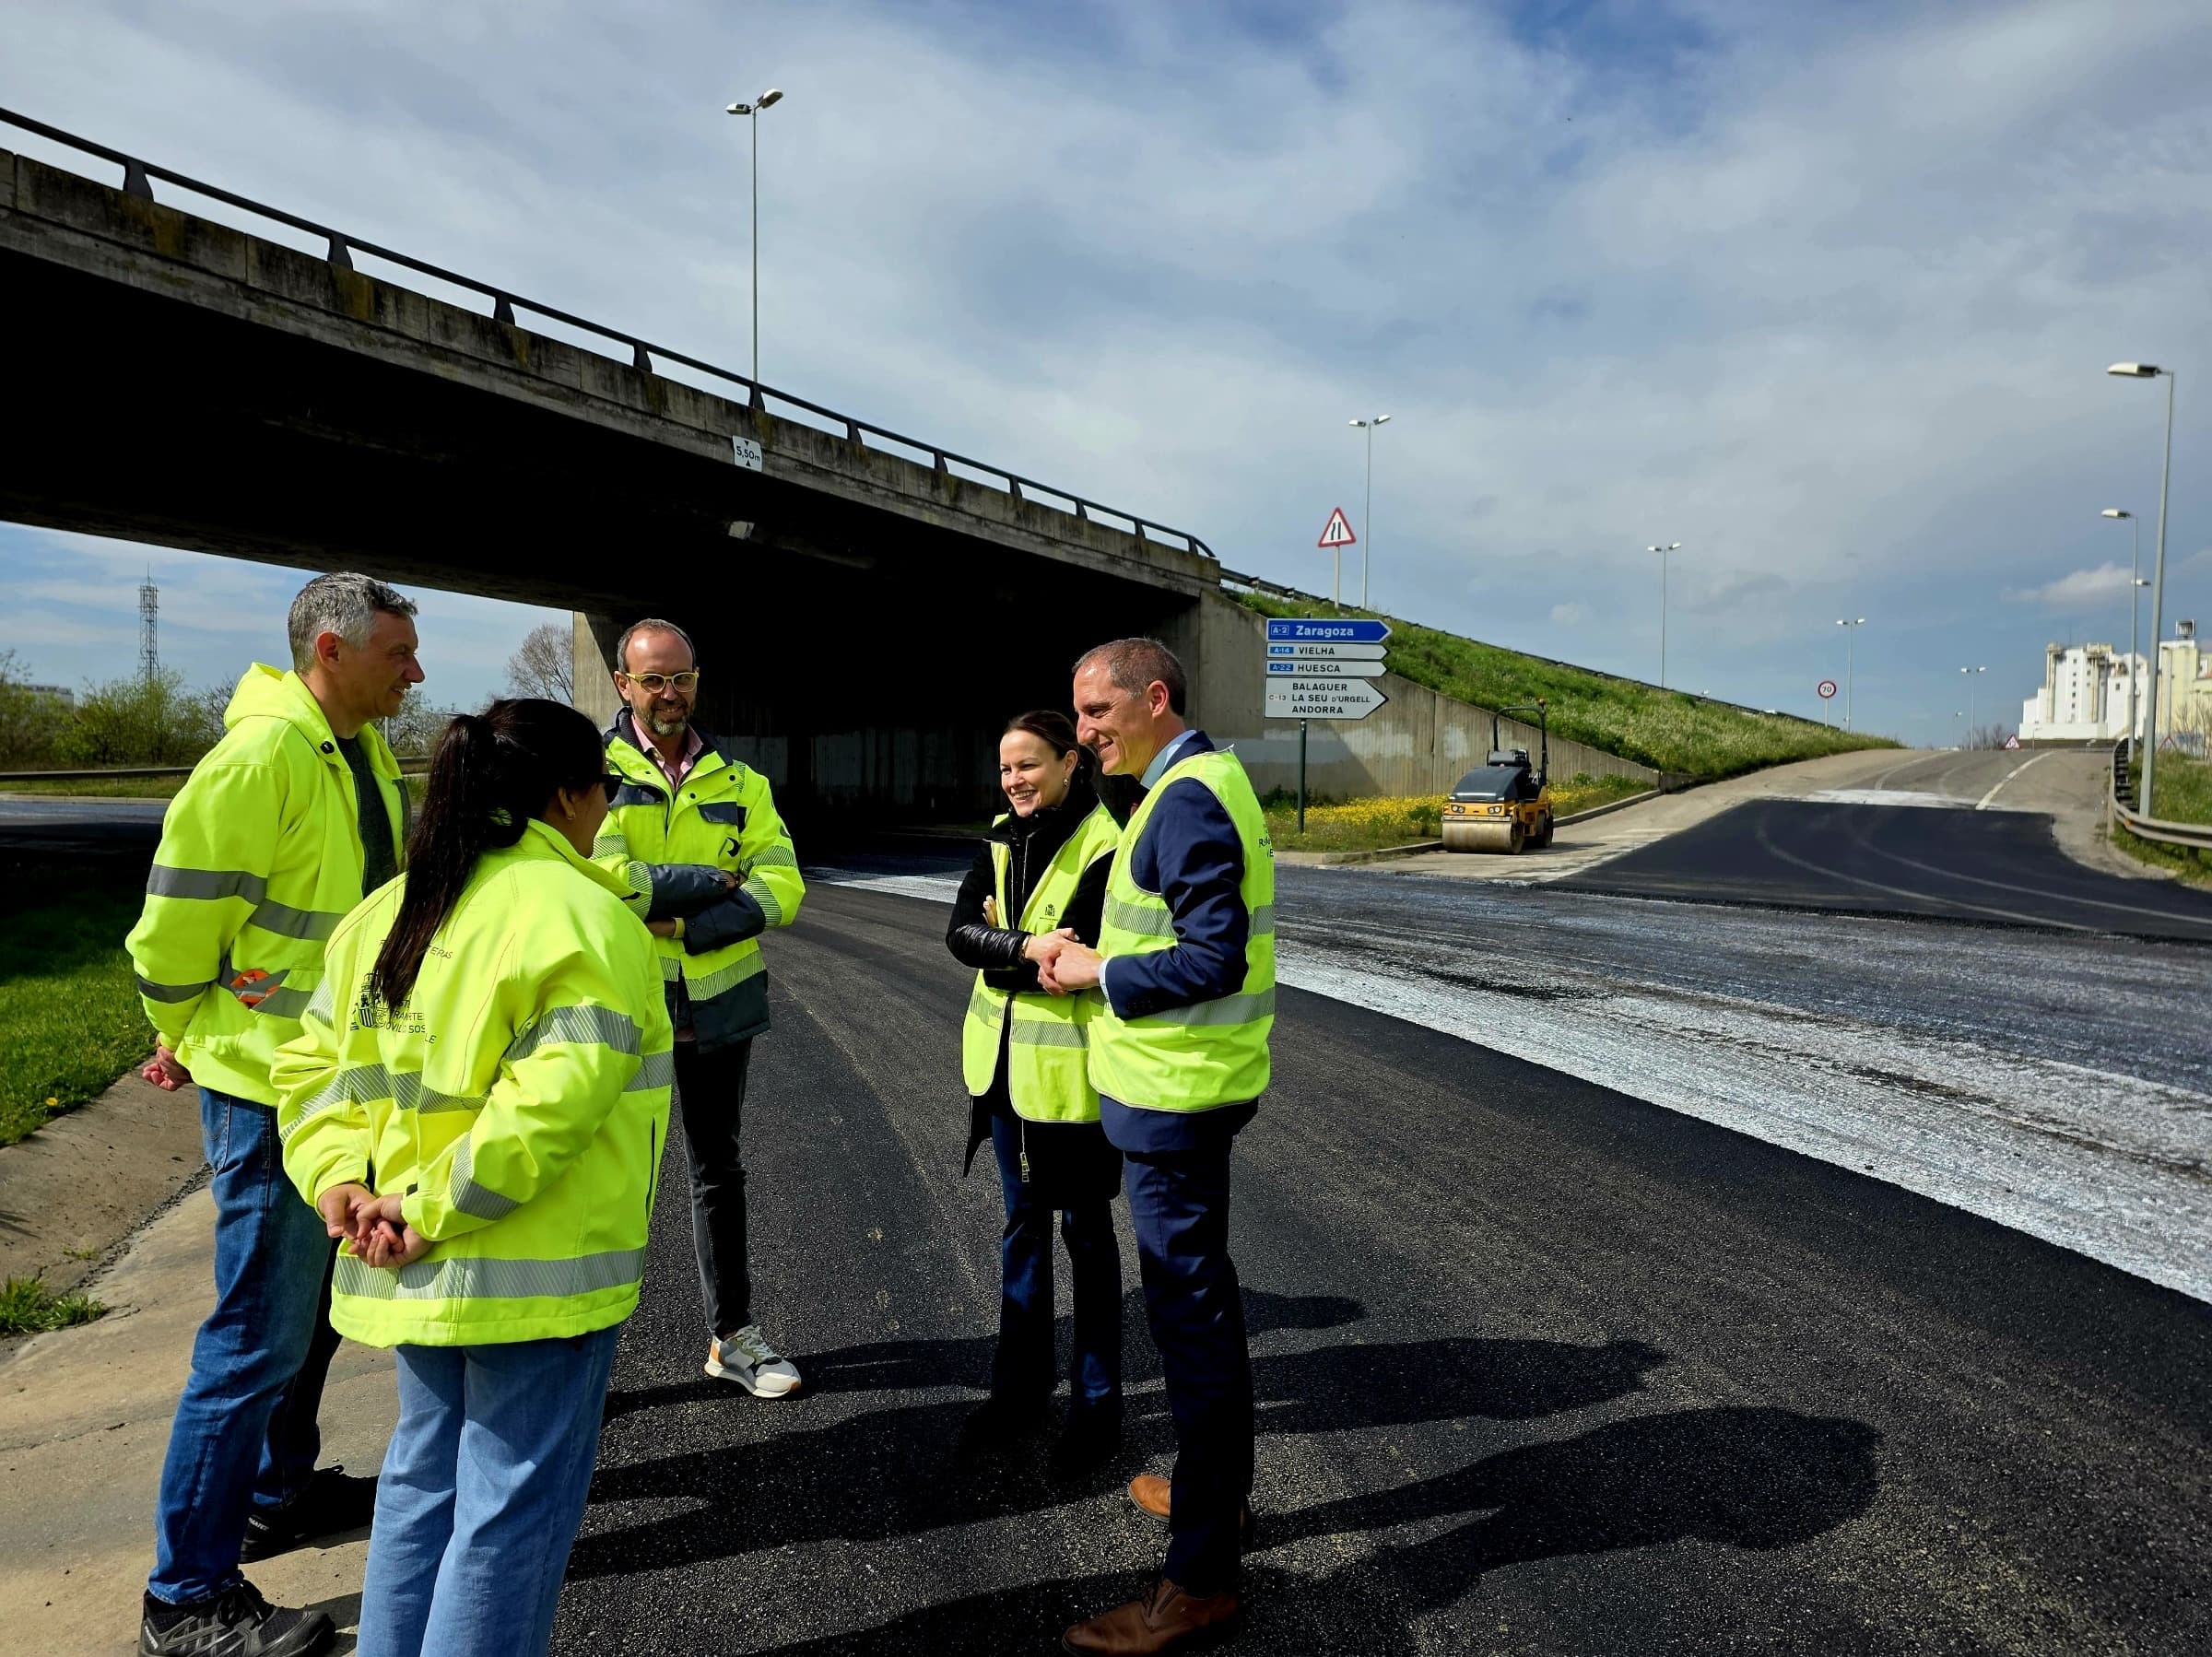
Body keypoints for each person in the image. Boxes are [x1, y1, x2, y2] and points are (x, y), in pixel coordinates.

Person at [271, 699, 674, 1657]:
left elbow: (309, 1067)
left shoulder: (385, 912)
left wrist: (339, 1184)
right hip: (533, 1276)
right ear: (568, 796)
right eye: (605, 792)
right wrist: (426, 1209)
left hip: (402, 1263)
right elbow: (549, 1110)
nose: (607, 812)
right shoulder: (584, 916)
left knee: (422, 1488)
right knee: (508, 1519)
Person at [128, 571, 423, 1657]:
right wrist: (183, 1025)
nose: (417, 670)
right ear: (334, 648)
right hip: (267, 1087)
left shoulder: (360, 749)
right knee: (254, 1335)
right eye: (399, 652)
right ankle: (186, 1596)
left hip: (334, 1078)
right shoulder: (258, 759)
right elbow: (170, 935)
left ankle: (276, 1489)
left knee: (311, 1317)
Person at [1039, 638, 1274, 1656]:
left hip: (1178, 1102)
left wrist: (1096, 972)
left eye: (1096, 712)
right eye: (1078, 715)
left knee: (1193, 1325)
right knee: (1197, 1313)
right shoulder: (1190, 783)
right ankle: (1205, 1498)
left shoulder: (1185, 798)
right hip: (1176, 1096)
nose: (1083, 733)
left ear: (1154, 699)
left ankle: (1201, 1578)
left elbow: (1214, 958)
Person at [594, 618, 806, 1395]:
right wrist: (713, 880)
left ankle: (733, 1338)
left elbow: (783, 886)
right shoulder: (590, 773)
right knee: (609, 1178)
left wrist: (680, 918)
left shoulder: (741, 781)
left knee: (718, 1171)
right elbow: (604, 880)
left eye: (680, 678)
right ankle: (584, 1359)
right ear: (623, 684)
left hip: (717, 1009)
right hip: (621, 1007)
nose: (669, 693)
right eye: (652, 680)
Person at [944, 711, 1126, 1475]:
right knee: (1020, 1232)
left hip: (1074, 1087)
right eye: (1006, 767)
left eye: (1029, 764)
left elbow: (1076, 955)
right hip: (1003, 1078)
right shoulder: (997, 839)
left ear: (1070, 763)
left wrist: (1012, 949)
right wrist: (1020, 945)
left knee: (1087, 1241)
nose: (1015, 779)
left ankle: (1096, 1408)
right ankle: (1017, 1392)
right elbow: (960, 936)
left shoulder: (1106, 844)